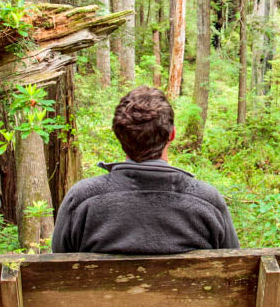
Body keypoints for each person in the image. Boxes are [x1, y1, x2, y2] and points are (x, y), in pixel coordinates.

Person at [51, 86, 239, 254]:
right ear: (172, 134)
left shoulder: (82, 199)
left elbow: (58, 265)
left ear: (119, 135)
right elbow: (233, 264)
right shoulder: (207, 201)